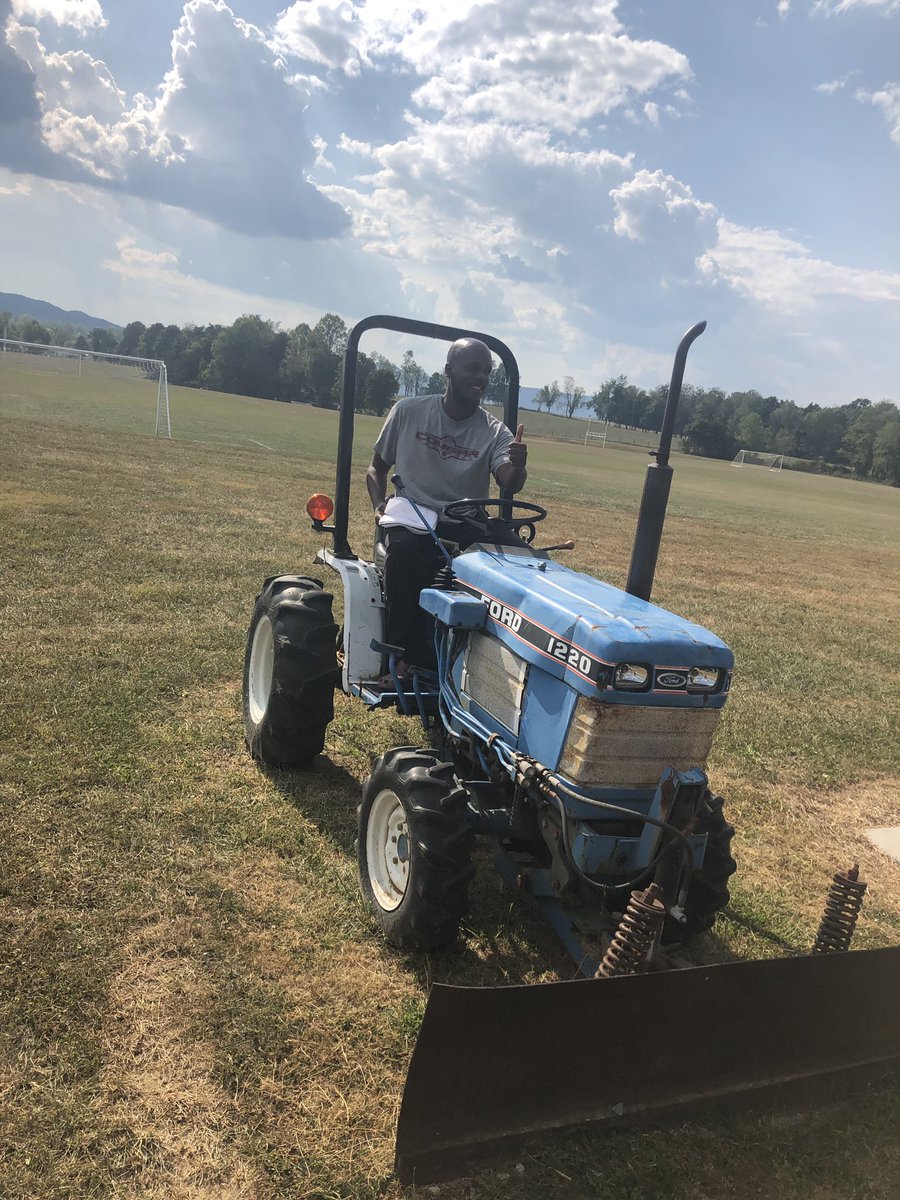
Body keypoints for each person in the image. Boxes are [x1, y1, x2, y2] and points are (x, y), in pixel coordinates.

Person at [365, 337, 528, 681]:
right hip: (414, 517)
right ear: (449, 371)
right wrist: (380, 505)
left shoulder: (495, 431)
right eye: (472, 368)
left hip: (464, 522)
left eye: (486, 371)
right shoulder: (409, 412)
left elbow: (508, 482)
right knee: (406, 557)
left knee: (524, 563)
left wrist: (517, 465)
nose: (480, 377)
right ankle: (408, 660)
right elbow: (376, 468)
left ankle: (507, 665)